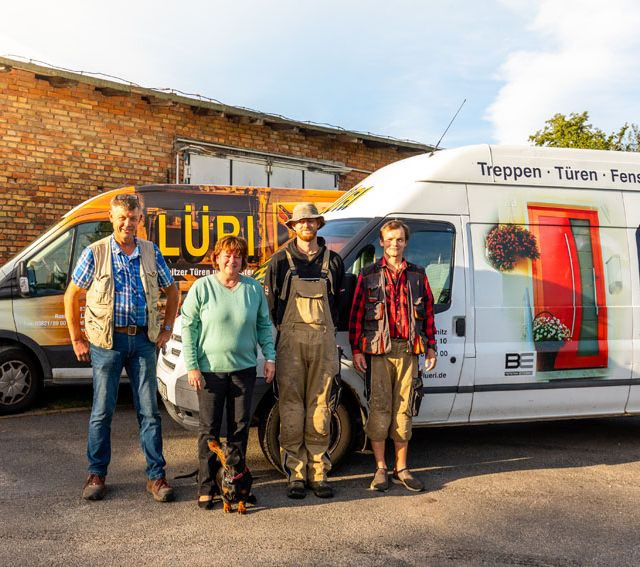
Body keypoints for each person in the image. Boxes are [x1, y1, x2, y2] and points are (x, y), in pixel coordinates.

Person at [64, 193, 179, 502]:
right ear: (112, 219)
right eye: (122, 218)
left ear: (140, 219)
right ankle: (96, 474)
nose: (128, 223)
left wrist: (167, 328)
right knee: (102, 411)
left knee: (149, 412)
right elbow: (72, 295)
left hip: (142, 341)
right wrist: (77, 337)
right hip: (107, 343)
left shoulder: (150, 251)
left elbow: (172, 289)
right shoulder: (95, 252)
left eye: (133, 217)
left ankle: (156, 477)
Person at [181, 236, 276, 509]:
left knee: (239, 429)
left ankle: (237, 484)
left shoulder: (253, 289)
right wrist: (192, 366)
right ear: (216, 258)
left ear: (243, 261)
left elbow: (263, 326)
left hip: (243, 371)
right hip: (209, 372)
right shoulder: (202, 288)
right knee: (209, 430)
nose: (231, 260)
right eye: (226, 255)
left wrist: (269, 358)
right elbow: (189, 328)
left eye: (237, 256)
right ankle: (207, 486)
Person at [348, 219, 437, 493]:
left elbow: (429, 315)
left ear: (405, 242)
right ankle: (380, 469)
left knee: (404, 409)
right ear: (382, 241)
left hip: (409, 350)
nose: (394, 244)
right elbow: (356, 316)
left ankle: (402, 468)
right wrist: (357, 350)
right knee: (379, 409)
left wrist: (431, 347)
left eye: (399, 239)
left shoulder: (418, 275)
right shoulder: (369, 274)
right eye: (390, 239)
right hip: (378, 351)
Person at [264, 203, 344, 499]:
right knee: (292, 410)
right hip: (290, 343)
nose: (307, 225)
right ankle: (295, 475)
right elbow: (272, 308)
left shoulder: (333, 261)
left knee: (321, 409)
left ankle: (319, 473)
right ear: (294, 226)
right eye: (301, 221)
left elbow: (338, 306)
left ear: (318, 225)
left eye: (311, 221)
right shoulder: (279, 261)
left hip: (324, 342)